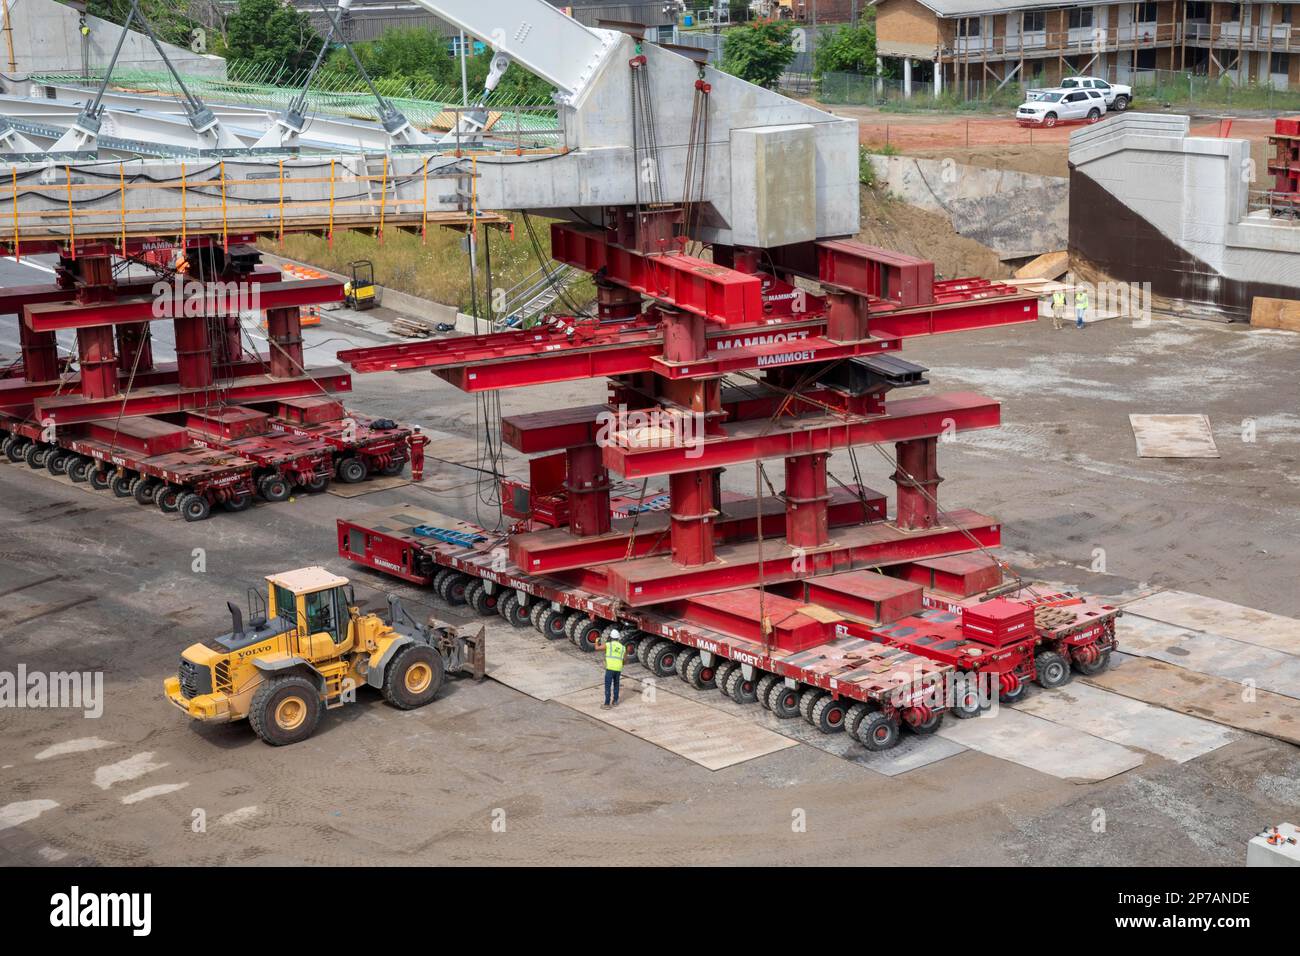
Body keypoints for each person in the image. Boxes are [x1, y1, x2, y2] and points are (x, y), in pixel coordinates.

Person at [594, 627, 626, 708]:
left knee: (608, 685)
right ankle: (615, 701)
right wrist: (620, 665)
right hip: (618, 669)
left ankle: (607, 704)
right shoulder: (623, 647)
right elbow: (625, 660)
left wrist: (596, 641)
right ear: (618, 638)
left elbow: (597, 648)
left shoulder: (608, 645)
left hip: (610, 669)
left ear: (611, 637)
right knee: (616, 684)